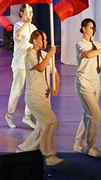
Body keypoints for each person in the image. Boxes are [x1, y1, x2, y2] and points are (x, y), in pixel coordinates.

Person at [17, 30, 63, 166]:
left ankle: (23, 149)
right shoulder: (29, 56)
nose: (45, 42)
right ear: (35, 40)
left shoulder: (46, 55)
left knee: (41, 127)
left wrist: (56, 87)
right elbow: (41, 68)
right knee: (51, 121)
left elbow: (55, 73)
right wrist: (49, 54)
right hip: (34, 96)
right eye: (43, 39)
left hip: (45, 96)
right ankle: (49, 154)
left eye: (46, 39)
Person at [73, 18, 101, 158]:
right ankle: (91, 146)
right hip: (83, 83)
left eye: (94, 27)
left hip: (95, 83)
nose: (93, 30)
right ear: (84, 28)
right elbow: (87, 54)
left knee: (88, 113)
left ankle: (78, 143)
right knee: (95, 113)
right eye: (91, 27)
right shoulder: (80, 44)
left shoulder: (98, 44)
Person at [5, 4, 37, 129]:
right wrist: (26, 23)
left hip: (31, 63)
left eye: (31, 12)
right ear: (21, 14)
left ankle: (27, 116)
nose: (30, 15)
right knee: (17, 90)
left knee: (31, 90)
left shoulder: (33, 27)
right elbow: (18, 35)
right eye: (28, 12)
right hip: (20, 62)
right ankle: (9, 115)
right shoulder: (18, 25)